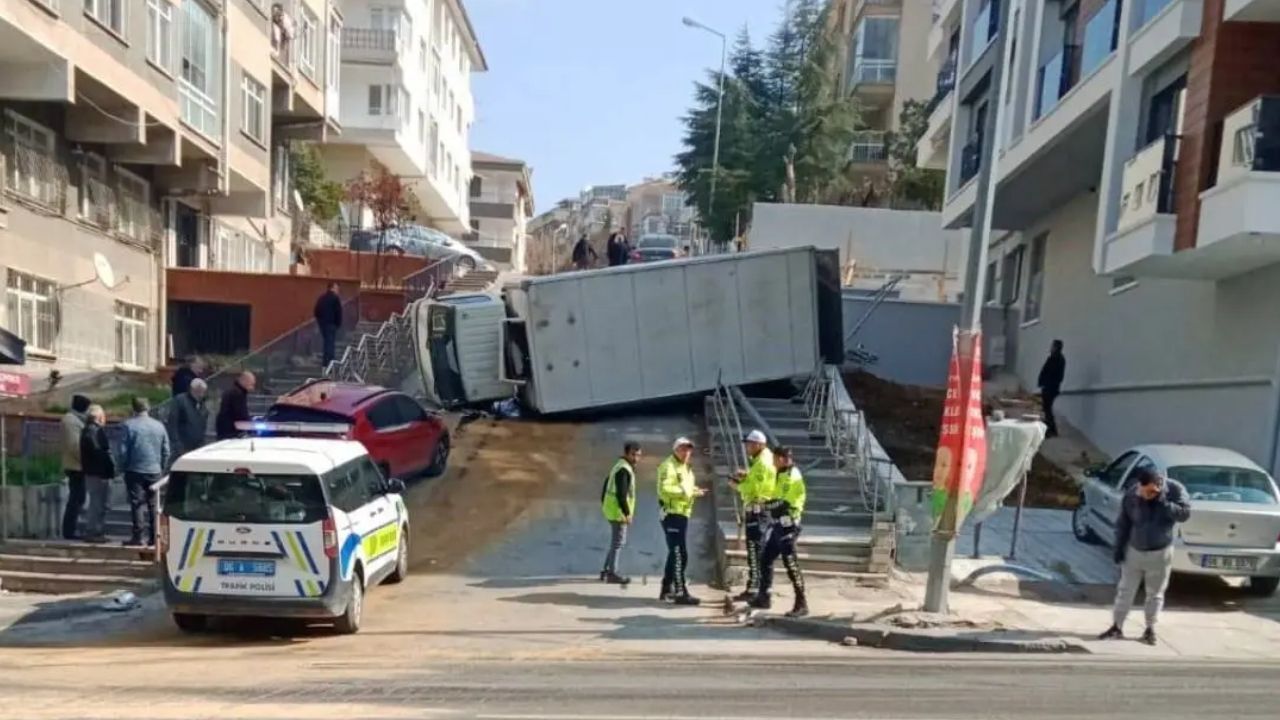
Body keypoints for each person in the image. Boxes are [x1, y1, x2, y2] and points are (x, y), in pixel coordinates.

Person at [1099, 466, 1191, 645]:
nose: (1144, 496)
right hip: (1134, 550)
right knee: (1125, 590)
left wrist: (1163, 502)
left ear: (1157, 486)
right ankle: (1117, 626)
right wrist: (1118, 548)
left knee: (1155, 593)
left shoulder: (1175, 490)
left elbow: (1184, 514)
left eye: (1149, 493)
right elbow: (1123, 523)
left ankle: (1150, 629)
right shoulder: (1134, 494)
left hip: (1160, 551)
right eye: (1142, 491)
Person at [751, 447, 808, 616]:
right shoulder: (780, 474)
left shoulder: (792, 475)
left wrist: (763, 506)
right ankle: (764, 596)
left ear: (782, 459)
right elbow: (774, 496)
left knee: (791, 563)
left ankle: (802, 603)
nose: (773, 463)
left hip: (788, 525)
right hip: (777, 525)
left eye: (775, 459)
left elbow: (783, 503)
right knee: (766, 558)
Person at [729, 429, 776, 602]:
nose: (747, 447)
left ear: (758, 444)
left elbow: (756, 489)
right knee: (755, 550)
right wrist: (747, 476)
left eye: (749, 444)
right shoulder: (763, 460)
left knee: (755, 550)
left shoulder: (762, 463)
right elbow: (758, 481)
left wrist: (737, 486)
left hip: (758, 511)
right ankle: (754, 586)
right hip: (760, 510)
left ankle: (755, 588)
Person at [658, 437, 705, 605]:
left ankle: (666, 588)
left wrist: (694, 491)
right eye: (683, 449)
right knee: (680, 554)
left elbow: (685, 488)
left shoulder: (685, 468)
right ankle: (680, 591)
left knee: (675, 553)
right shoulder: (668, 466)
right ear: (676, 450)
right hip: (671, 514)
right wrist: (687, 492)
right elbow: (665, 489)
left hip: (682, 514)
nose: (687, 453)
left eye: (689, 450)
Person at [120, 397, 170, 547]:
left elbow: (122, 451)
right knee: (153, 504)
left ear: (133, 409)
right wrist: (161, 466)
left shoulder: (128, 425)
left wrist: (123, 466)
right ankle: (155, 537)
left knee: (137, 503)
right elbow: (166, 450)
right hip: (154, 470)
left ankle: (138, 536)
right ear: (148, 408)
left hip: (134, 469)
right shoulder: (159, 426)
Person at [600, 441, 642, 585]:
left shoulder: (619, 466)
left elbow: (606, 484)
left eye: (638, 455)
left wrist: (604, 503)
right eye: (633, 454)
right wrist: (627, 513)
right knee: (618, 542)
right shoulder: (624, 470)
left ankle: (606, 570)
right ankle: (612, 574)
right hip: (617, 511)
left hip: (611, 508)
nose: (636, 458)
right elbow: (622, 494)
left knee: (615, 542)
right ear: (626, 453)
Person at [79, 404, 115, 544]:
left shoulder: (90, 430)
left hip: (97, 472)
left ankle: (97, 531)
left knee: (100, 504)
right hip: (98, 473)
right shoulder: (93, 431)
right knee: (97, 504)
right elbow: (99, 452)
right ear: (99, 417)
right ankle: (93, 531)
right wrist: (109, 464)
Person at [59, 394, 91, 540]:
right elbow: (74, 446)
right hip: (75, 466)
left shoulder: (74, 419)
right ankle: (69, 531)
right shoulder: (71, 421)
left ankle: (72, 529)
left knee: (79, 498)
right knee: (76, 498)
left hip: (77, 465)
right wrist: (86, 462)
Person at [168, 378, 209, 461]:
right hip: (182, 446)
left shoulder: (201, 404)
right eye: (199, 391)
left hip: (198, 446)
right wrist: (177, 444)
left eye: (203, 392)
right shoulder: (180, 400)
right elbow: (172, 423)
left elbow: (203, 422)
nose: (201, 395)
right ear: (193, 390)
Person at [215, 371, 256, 440]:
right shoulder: (237, 394)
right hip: (231, 432)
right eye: (251, 384)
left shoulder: (233, 391)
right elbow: (241, 414)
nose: (252, 388)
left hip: (225, 430)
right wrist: (251, 427)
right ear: (244, 381)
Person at [1038, 340, 1066, 437]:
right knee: (1046, 408)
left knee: (1047, 408)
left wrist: (1046, 383)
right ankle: (1050, 428)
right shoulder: (1054, 358)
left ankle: (1051, 430)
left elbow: (1054, 374)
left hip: (1051, 388)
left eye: (1052, 346)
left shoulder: (1057, 359)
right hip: (1049, 387)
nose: (1050, 348)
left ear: (1056, 347)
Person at [314, 282, 344, 367]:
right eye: (337, 288)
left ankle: (325, 362)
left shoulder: (322, 298)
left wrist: (320, 322)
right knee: (330, 343)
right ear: (332, 288)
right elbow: (338, 312)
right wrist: (338, 324)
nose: (338, 291)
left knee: (326, 342)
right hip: (331, 324)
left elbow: (316, 311)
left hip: (323, 325)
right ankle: (330, 363)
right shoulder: (335, 298)